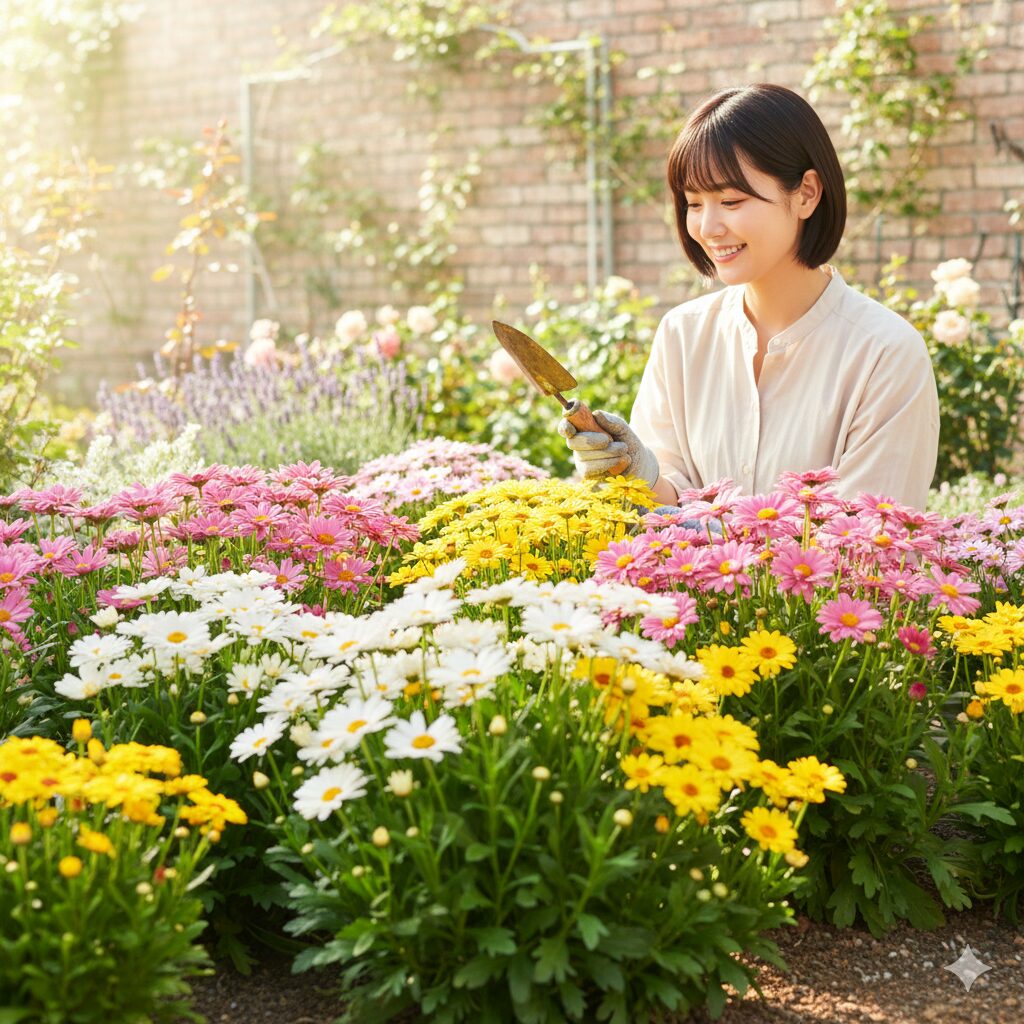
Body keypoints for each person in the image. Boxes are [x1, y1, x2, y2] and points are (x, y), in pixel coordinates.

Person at [558, 84, 940, 511]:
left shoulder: (885, 353)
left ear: (806, 194)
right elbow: (668, 501)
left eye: (731, 200)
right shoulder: (682, 335)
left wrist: (706, 534)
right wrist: (635, 474)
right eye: (694, 203)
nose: (707, 227)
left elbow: (866, 542)